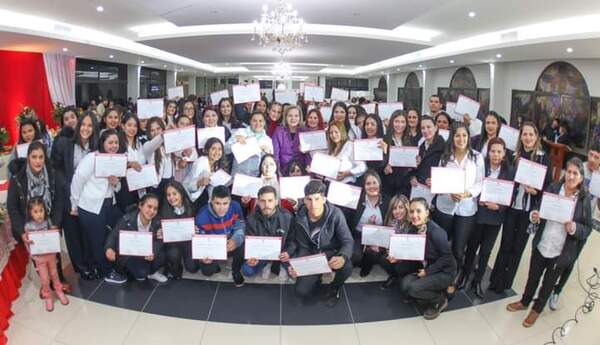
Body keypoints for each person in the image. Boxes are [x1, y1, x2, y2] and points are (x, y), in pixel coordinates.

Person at [506, 158, 592, 327]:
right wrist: (535, 215)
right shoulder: (553, 188)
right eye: (569, 172)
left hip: (561, 250)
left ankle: (536, 310)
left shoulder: (584, 200)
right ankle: (524, 301)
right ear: (564, 173)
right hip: (542, 243)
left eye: (576, 173)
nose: (571, 176)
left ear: (581, 178)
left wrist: (574, 228)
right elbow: (537, 207)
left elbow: (587, 228)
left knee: (548, 283)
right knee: (533, 277)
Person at [490, 122, 553, 293]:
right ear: (521, 137)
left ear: (536, 136)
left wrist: (536, 191)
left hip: (528, 211)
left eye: (531, 134)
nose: (527, 137)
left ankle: (506, 283)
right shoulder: (513, 155)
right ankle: (495, 280)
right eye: (524, 134)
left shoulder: (543, 158)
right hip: (512, 208)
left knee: (518, 247)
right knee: (505, 245)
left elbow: (548, 187)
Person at [431, 122, 484, 293]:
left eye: (464, 135)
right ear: (452, 137)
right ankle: (439, 274)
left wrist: (467, 194)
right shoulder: (445, 157)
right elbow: (439, 181)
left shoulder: (476, 157)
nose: (461, 139)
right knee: (441, 244)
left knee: (459, 248)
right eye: (457, 135)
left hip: (466, 210)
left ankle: (452, 277)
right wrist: (448, 192)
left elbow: (480, 183)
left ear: (468, 137)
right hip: (445, 207)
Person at [548, 142, 600, 309]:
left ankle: (557, 290)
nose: (591, 159)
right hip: (564, 218)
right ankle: (546, 286)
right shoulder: (579, 167)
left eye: (597, 157)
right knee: (555, 254)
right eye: (590, 155)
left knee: (570, 260)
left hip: (583, 223)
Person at [460, 138, 515, 298]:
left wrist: (498, 207)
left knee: (485, 251)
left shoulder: (509, 171)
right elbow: (473, 184)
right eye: (493, 151)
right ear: (488, 152)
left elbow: (511, 195)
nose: (496, 155)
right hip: (478, 214)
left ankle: (477, 281)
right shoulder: (481, 165)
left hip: (495, 217)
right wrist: (478, 199)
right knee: (471, 248)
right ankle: (464, 276)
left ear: (504, 153)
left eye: (499, 151)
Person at [287, 180, 354, 307]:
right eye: (309, 199)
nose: (313, 204)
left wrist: (343, 256)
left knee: (347, 266)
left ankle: (334, 288)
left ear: (324, 199)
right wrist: (298, 265)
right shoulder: (299, 218)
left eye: (317, 199)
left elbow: (347, 240)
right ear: (304, 200)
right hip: (312, 257)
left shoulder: (336, 214)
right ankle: (316, 278)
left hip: (330, 254)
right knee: (300, 292)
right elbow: (301, 246)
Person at [70, 129, 124, 283]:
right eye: (110, 142)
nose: (114, 145)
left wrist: (115, 183)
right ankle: (106, 272)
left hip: (108, 204)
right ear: (102, 143)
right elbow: (77, 180)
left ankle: (117, 263)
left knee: (119, 228)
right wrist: (74, 205)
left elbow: (117, 188)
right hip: (91, 206)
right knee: (98, 240)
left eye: (116, 142)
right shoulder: (91, 158)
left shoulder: (115, 159)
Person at [51, 113, 99, 279]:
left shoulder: (95, 148)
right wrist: (68, 185)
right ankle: (81, 267)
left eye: (90, 125)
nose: (86, 128)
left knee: (86, 232)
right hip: (67, 196)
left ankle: (90, 263)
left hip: (88, 198)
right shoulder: (66, 144)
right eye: (83, 124)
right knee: (72, 235)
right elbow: (55, 168)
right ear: (78, 126)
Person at [400, 198, 457, 320]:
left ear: (427, 212)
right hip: (428, 268)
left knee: (413, 288)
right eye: (411, 211)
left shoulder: (436, 231)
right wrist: (397, 256)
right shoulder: (413, 229)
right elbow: (410, 251)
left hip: (444, 272)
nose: (414, 215)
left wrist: (427, 272)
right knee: (405, 286)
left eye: (418, 211)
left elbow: (447, 257)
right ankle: (435, 290)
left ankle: (440, 300)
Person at [104, 193, 168, 283]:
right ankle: (136, 271)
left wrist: (153, 252)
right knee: (141, 273)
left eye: (155, 208)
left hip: (147, 252)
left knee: (164, 255)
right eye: (149, 206)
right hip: (131, 254)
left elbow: (159, 241)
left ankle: (151, 272)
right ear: (140, 205)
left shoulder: (158, 221)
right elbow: (114, 234)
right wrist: (109, 248)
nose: (152, 211)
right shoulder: (127, 219)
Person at [21, 197, 70, 311]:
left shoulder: (47, 222)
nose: (39, 215)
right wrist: (32, 255)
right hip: (39, 259)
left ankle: (58, 290)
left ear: (45, 210)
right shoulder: (28, 226)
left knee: (55, 274)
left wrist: (54, 232)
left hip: (51, 256)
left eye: (41, 210)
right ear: (30, 212)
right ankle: (47, 295)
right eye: (35, 212)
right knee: (45, 279)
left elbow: (52, 237)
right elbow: (27, 244)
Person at [195, 186, 246, 287]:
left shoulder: (236, 206)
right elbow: (201, 241)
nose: (221, 208)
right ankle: (215, 263)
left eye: (225, 203)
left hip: (230, 238)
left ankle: (236, 271)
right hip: (213, 244)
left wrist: (236, 240)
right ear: (211, 201)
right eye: (217, 203)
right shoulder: (201, 216)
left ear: (230, 201)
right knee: (207, 271)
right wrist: (203, 256)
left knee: (242, 244)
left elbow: (240, 225)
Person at [242, 186, 295, 280]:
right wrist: (252, 258)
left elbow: (293, 239)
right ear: (258, 202)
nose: (266, 204)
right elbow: (250, 242)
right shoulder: (251, 219)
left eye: (270, 200)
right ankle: (269, 264)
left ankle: (278, 265)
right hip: (262, 255)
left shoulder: (287, 217)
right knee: (247, 270)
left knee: (295, 272)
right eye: (262, 201)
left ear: (276, 201)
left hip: (282, 254)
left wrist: (288, 252)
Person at [348, 170, 390, 277]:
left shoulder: (387, 201)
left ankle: (367, 266)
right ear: (364, 186)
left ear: (379, 184)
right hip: (358, 234)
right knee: (355, 255)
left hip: (377, 236)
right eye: (368, 183)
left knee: (374, 253)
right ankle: (357, 262)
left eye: (374, 183)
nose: (371, 186)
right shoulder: (356, 200)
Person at [160, 181, 198, 279]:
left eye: (174, 194)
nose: (171, 198)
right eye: (168, 195)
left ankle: (185, 259)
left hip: (187, 241)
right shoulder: (164, 210)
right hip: (173, 243)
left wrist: (196, 229)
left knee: (192, 268)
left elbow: (196, 225)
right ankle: (175, 264)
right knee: (175, 267)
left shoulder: (191, 207)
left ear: (181, 193)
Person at [184, 138, 230, 210]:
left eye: (219, 149)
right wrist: (199, 183)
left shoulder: (216, 164)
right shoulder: (201, 162)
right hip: (190, 199)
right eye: (213, 149)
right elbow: (189, 186)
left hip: (204, 198)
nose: (217, 152)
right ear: (207, 150)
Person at [380, 194, 413, 289]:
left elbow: (413, 250)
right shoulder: (392, 222)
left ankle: (405, 277)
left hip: (410, 258)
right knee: (383, 258)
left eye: (401, 207)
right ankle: (394, 276)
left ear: (407, 207)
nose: (397, 211)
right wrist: (388, 249)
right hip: (397, 254)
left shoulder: (413, 223)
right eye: (394, 208)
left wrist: (400, 258)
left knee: (400, 268)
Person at [226, 111, 273, 177]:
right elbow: (226, 150)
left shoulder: (268, 140)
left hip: (256, 176)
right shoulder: (240, 132)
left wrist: (268, 153)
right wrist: (235, 141)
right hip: (238, 174)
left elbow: (270, 162)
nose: (257, 123)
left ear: (264, 123)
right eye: (254, 121)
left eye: (260, 121)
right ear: (250, 121)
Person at [383, 110, 414, 197]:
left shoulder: (411, 140)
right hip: (388, 183)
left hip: (405, 185)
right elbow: (380, 162)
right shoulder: (384, 139)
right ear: (392, 122)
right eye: (396, 121)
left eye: (403, 122)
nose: (400, 125)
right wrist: (385, 166)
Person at [409, 116, 445, 187]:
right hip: (419, 188)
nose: (425, 130)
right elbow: (415, 169)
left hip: (435, 190)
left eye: (428, 127)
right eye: (423, 128)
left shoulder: (443, 146)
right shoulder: (419, 146)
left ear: (435, 128)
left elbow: (446, 170)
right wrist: (413, 177)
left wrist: (437, 181)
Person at [142, 117, 175, 195]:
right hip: (156, 187)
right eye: (152, 130)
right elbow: (154, 142)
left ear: (162, 128)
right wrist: (164, 134)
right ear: (148, 133)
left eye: (158, 128)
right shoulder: (147, 146)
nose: (156, 132)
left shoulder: (169, 144)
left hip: (170, 184)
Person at [272, 106, 305, 175]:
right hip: (283, 169)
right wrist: (278, 171)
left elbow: (308, 155)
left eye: (296, 116)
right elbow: (275, 153)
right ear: (285, 117)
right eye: (290, 116)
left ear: (300, 118)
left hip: (301, 170)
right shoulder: (279, 131)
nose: (293, 118)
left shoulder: (304, 131)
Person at [361, 114, 389, 178]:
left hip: (379, 179)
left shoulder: (384, 142)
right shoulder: (359, 143)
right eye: (367, 124)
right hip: (362, 179)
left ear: (378, 126)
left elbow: (383, 166)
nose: (369, 127)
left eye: (372, 124)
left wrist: (384, 152)